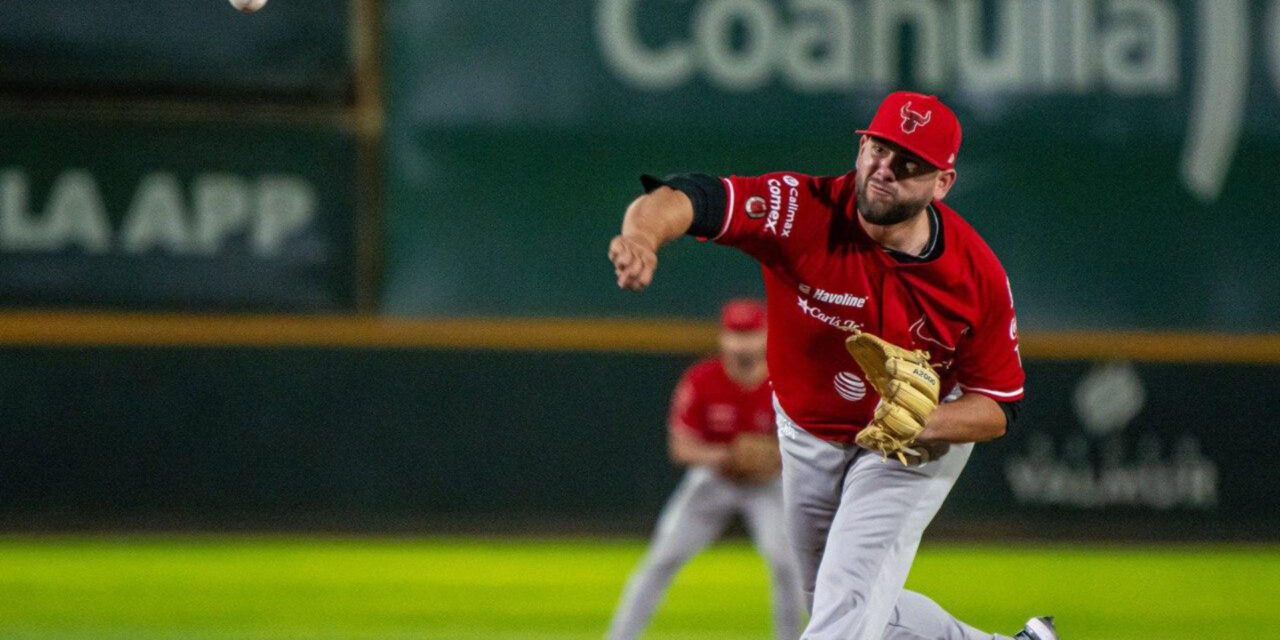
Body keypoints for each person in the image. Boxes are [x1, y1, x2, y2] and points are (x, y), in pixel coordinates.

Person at [607, 91, 1058, 640]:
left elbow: (1001, 407)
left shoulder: (976, 276)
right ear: (863, 145)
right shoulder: (801, 209)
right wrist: (641, 236)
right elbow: (690, 196)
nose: (883, 170)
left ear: (942, 183)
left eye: (908, 164)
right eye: (878, 149)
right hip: (806, 432)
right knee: (835, 596)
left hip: (909, 448)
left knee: (844, 602)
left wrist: (928, 421)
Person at [606, 298, 805, 640]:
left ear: (767, 335)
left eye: (750, 334)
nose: (742, 343)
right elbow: (681, 448)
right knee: (661, 560)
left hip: (769, 486)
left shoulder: (788, 379)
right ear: (722, 338)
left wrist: (776, 457)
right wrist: (729, 457)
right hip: (714, 482)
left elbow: (810, 443)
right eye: (735, 334)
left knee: (788, 565)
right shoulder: (702, 379)